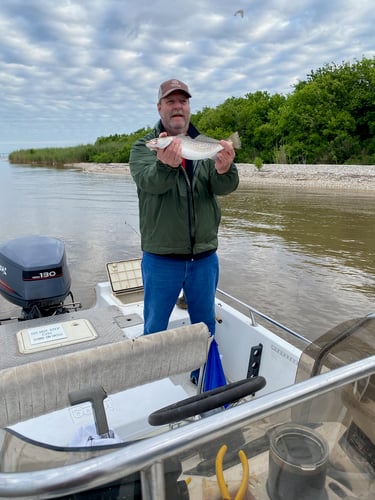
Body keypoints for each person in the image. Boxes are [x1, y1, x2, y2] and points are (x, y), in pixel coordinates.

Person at [129, 78, 239, 338]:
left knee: (205, 328)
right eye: (170, 101)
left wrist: (225, 169)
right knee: (155, 329)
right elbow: (150, 183)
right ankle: (153, 377)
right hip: (161, 258)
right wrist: (165, 165)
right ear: (159, 108)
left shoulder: (205, 144)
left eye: (183, 101)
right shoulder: (143, 148)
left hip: (204, 258)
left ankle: (202, 375)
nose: (177, 106)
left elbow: (225, 187)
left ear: (189, 106)